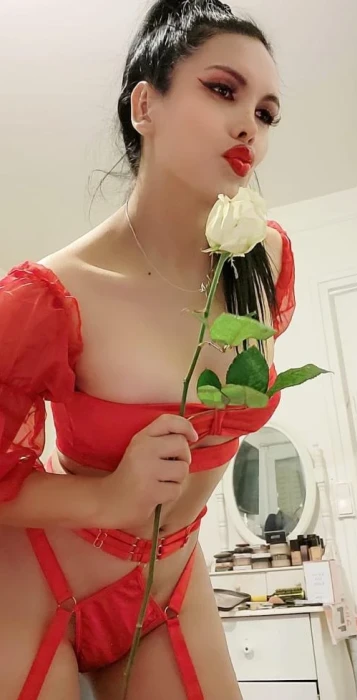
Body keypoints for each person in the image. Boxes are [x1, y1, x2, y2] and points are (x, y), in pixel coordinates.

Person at [0, 1, 295, 698]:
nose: (248, 125)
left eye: (266, 112)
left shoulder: (267, 260)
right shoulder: (50, 295)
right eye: (222, 90)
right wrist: (109, 496)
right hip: (37, 581)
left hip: (175, 583)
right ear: (144, 106)